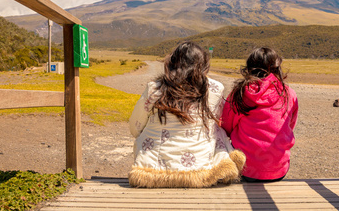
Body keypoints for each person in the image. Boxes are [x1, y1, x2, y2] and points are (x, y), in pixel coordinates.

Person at [128, 41, 245, 188]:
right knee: (216, 129)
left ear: (172, 63)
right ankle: (225, 162)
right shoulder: (216, 89)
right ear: (204, 64)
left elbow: (135, 127)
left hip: (152, 173)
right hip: (201, 171)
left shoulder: (154, 89)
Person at [221, 47, 299, 182]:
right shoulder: (289, 93)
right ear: (277, 68)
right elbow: (290, 125)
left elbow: (227, 127)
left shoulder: (240, 93)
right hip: (278, 170)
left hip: (245, 169)